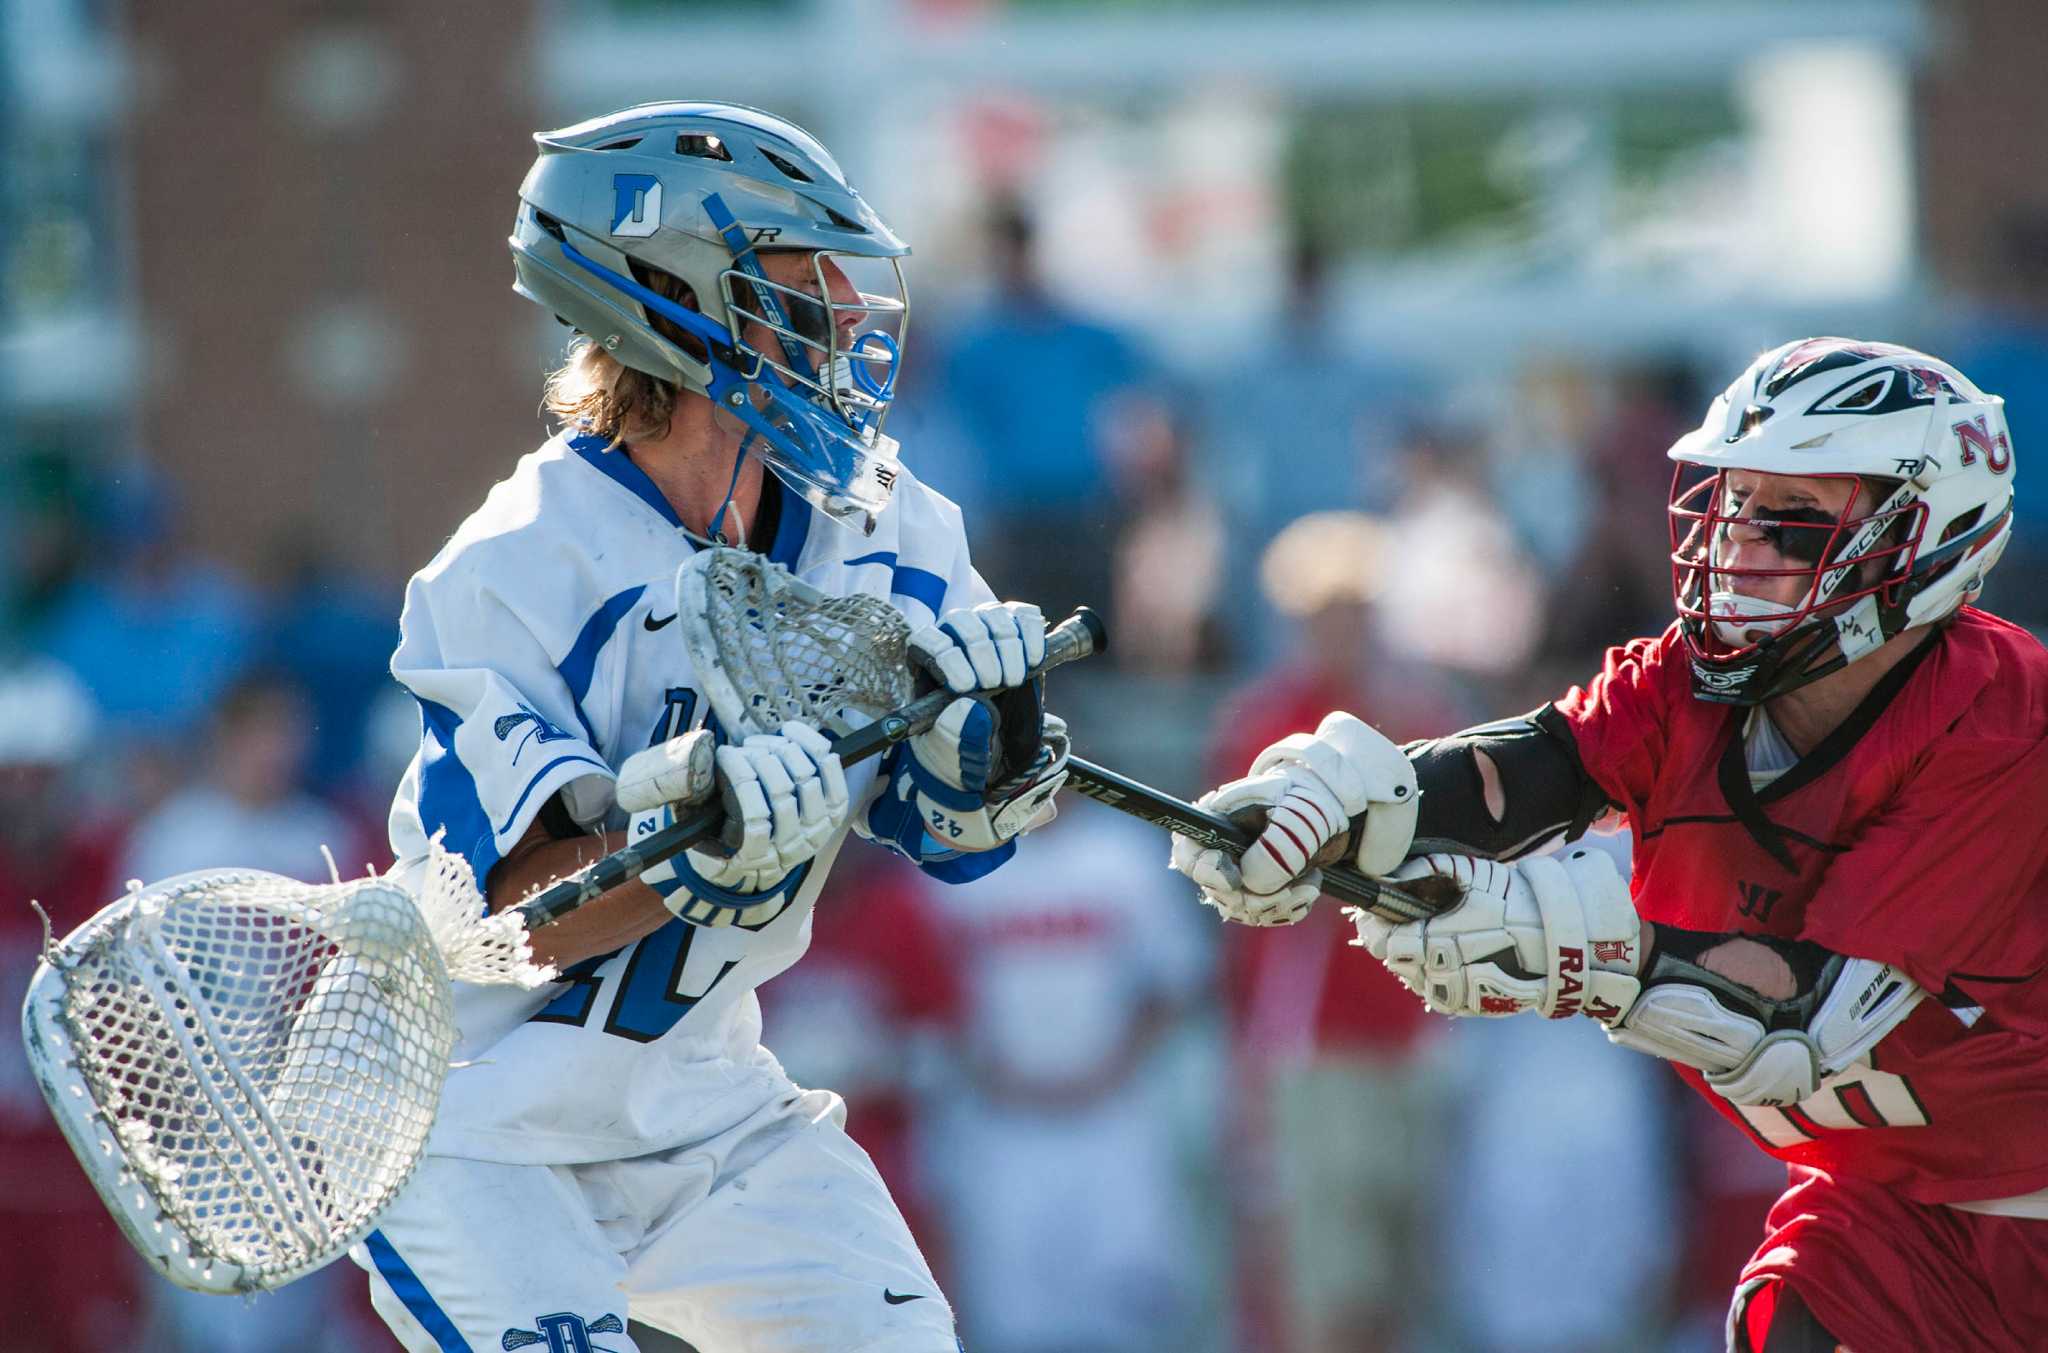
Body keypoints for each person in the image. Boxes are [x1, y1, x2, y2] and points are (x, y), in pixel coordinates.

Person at [357, 103, 1069, 1353]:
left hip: (710, 1105)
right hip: (478, 1128)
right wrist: (698, 857)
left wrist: (991, 739)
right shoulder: (513, 570)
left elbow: (958, 839)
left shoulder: (886, 523)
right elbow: (510, 924)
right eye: (800, 285)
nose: (847, 320)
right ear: (664, 298)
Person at [1169, 338, 2048, 1352]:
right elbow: (1530, 773)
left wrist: (1568, 949)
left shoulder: (2000, 727)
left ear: (1925, 535)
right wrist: (1343, 802)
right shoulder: (1697, 677)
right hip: (1893, 1206)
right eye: (1734, 503)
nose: (1739, 546)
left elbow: (1813, 1012)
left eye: (1792, 517)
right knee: (1796, 1315)